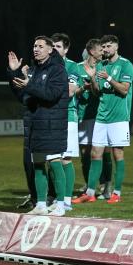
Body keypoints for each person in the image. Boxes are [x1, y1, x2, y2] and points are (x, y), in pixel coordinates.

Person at [7, 38, 69, 216]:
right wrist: (14, 73)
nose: (36, 49)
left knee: (55, 163)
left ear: (50, 50)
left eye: (41, 46)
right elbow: (24, 96)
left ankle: (60, 204)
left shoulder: (57, 70)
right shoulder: (33, 70)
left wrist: (30, 85)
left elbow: (51, 95)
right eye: (34, 46)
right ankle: (41, 204)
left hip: (52, 124)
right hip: (36, 123)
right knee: (38, 165)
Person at [72, 34, 133, 204]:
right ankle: (90, 192)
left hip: (119, 118)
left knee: (117, 154)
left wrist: (107, 77)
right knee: (95, 153)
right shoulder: (101, 65)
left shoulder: (125, 65)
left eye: (108, 46)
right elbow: (97, 92)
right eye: (103, 47)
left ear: (116, 47)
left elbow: (124, 90)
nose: (105, 49)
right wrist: (93, 77)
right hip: (101, 116)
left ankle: (117, 192)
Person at [51, 33, 86, 211]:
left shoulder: (72, 66)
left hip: (67, 115)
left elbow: (71, 90)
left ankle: (66, 200)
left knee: (66, 158)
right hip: (49, 116)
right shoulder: (46, 65)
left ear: (66, 49)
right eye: (53, 46)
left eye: (58, 46)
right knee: (52, 159)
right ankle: (56, 198)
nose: (55, 49)